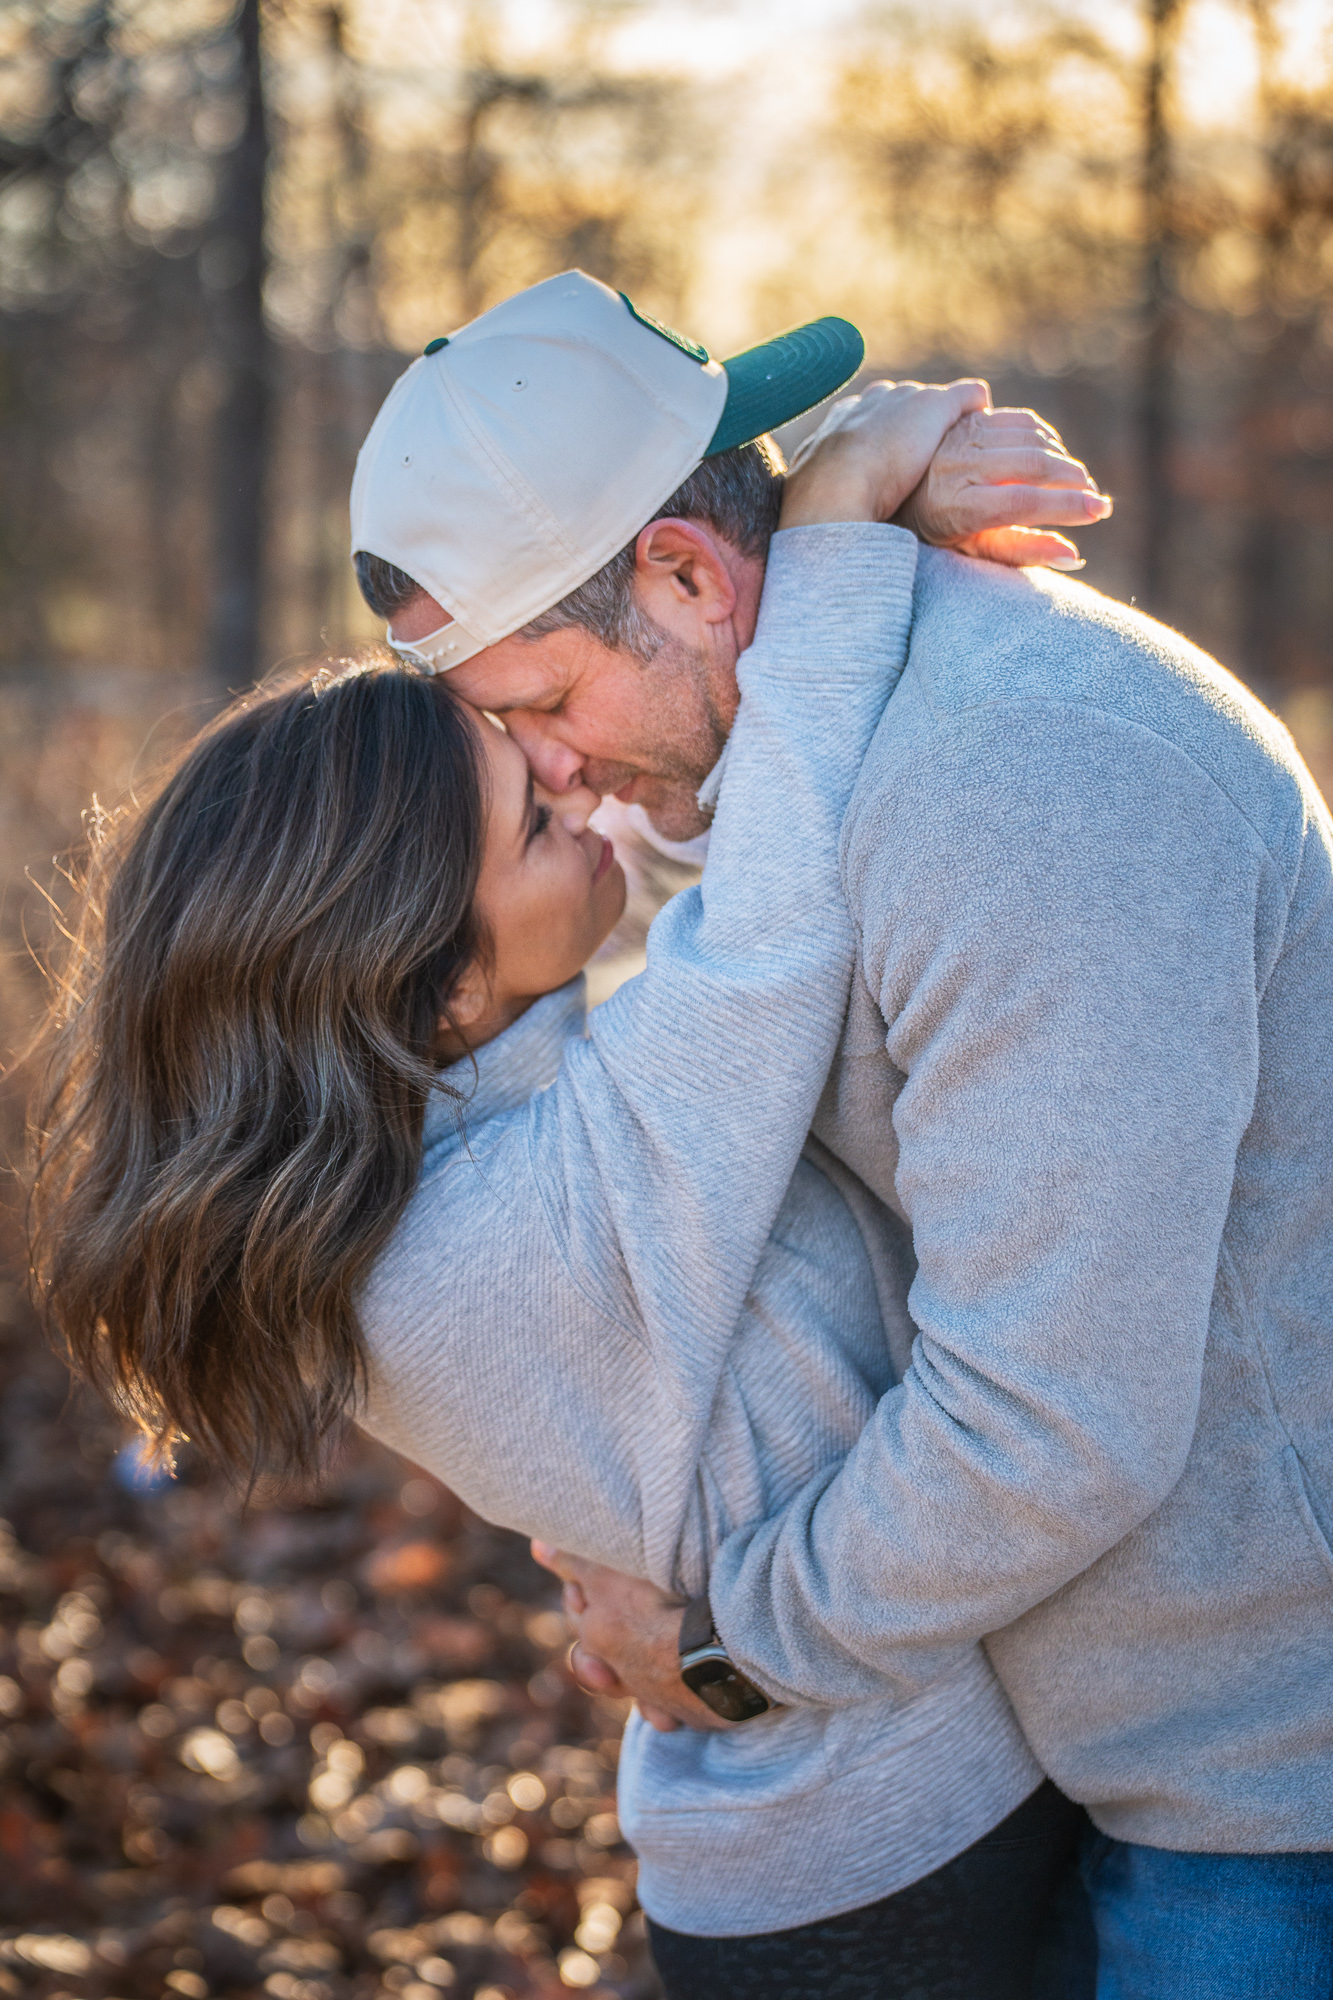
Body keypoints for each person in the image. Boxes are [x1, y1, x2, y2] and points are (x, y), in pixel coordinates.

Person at [28, 389, 1098, 1999]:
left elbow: (706, 861)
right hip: (882, 1875)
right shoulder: (494, 1238)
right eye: (538, 815)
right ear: (436, 987)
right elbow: (770, 919)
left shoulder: (462, 1133)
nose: (587, 795)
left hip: (881, 1813)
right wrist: (831, 541)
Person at [346, 270, 1333, 1997]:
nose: (549, 781)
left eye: (541, 709)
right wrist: (841, 520)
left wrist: (727, 1640)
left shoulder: (1021, 790)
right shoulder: (808, 742)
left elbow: (1053, 1424)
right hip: (1089, 1747)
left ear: (684, 575)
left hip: (1256, 1795)